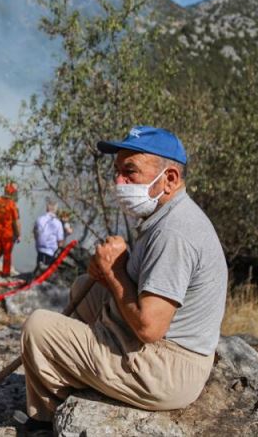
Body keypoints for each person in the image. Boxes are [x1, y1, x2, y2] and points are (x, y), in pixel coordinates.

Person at [18, 126, 228, 433]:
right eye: (117, 171)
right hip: (164, 352)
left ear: (169, 179)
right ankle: (79, 372)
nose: (119, 182)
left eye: (130, 171)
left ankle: (45, 421)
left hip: (168, 369)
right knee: (84, 290)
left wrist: (114, 272)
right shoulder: (166, 215)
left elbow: (150, 328)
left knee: (39, 328)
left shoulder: (174, 233)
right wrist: (111, 270)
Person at [33, 200, 64, 270]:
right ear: (56, 210)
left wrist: (38, 242)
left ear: (47, 208)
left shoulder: (39, 219)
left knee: (38, 267)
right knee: (46, 271)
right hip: (51, 252)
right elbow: (60, 241)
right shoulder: (58, 223)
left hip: (40, 249)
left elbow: (35, 233)